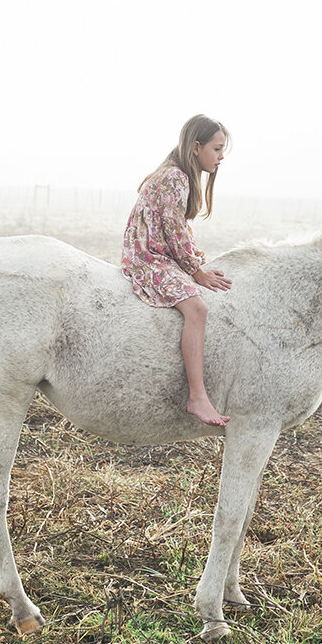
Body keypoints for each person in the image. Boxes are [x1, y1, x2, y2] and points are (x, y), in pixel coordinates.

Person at [122, 115, 233, 426]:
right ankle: (197, 396)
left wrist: (195, 260)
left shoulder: (175, 173)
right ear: (196, 147)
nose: (221, 157)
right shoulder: (175, 178)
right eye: (217, 149)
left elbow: (177, 228)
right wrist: (196, 271)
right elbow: (173, 230)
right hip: (150, 257)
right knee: (196, 308)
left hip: (156, 251)